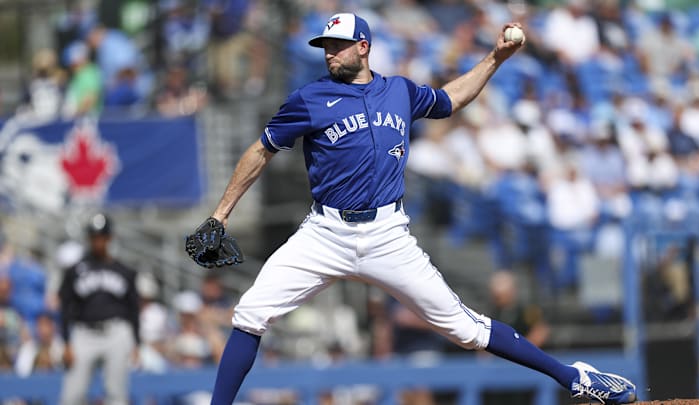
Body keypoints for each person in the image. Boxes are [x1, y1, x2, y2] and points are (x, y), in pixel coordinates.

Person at [199, 13, 637, 405]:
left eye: (338, 45)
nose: (329, 53)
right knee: (251, 313)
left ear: (363, 47)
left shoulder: (400, 92)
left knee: (467, 330)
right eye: (325, 46)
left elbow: (450, 100)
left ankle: (575, 378)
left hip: (388, 235)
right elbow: (260, 151)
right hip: (324, 233)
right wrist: (221, 214)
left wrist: (496, 57)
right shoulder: (309, 99)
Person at [58, 213, 140, 405]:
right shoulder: (75, 270)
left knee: (116, 395)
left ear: (109, 238)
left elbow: (133, 309)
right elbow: (65, 307)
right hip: (84, 333)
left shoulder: (124, 271)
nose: (98, 242)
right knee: (72, 396)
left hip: (116, 332)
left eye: (102, 237)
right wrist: (66, 341)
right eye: (94, 237)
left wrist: (137, 343)